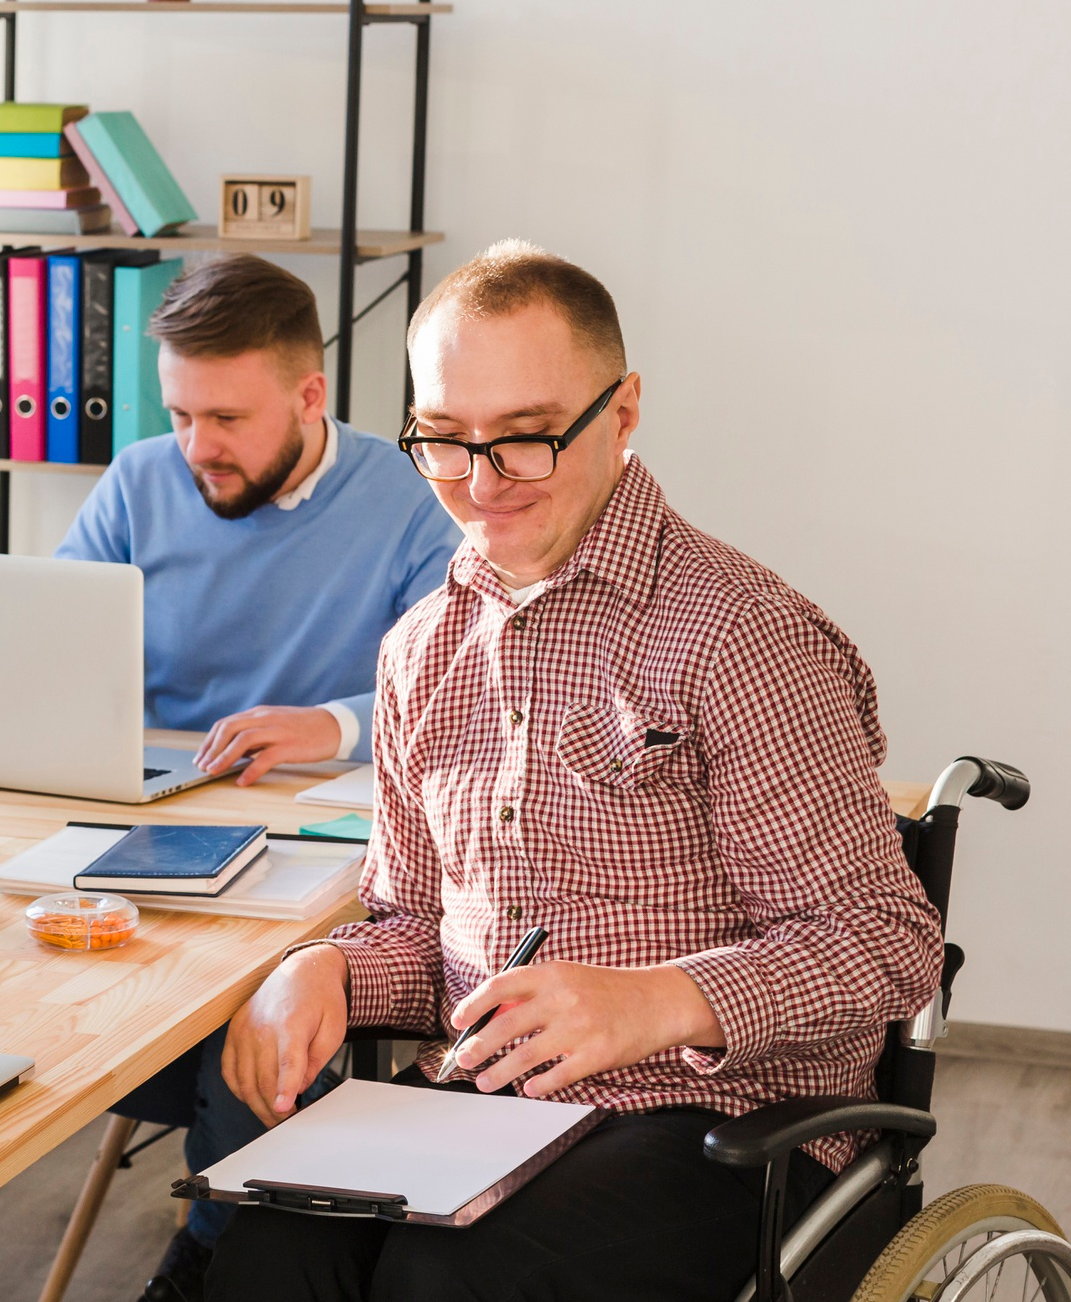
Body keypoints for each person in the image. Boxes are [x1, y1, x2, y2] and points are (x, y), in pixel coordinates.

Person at [206, 240, 943, 1302]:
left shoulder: (740, 634)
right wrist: (323, 970)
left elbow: (885, 943)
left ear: (623, 412)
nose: (479, 484)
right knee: (267, 1261)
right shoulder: (420, 649)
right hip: (484, 1105)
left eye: (523, 439)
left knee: (440, 1282)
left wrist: (657, 1002)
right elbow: (417, 932)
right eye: (444, 442)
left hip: (723, 1117)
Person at [55, 253, 459, 1300]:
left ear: (308, 393)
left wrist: (325, 724)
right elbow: (51, 642)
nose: (197, 448)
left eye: (225, 418)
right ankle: (233, 1224)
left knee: (253, 1001)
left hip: (311, 841)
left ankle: (220, 1244)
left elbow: (464, 681)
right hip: (148, 823)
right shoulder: (140, 481)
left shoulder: (407, 501)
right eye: (181, 414)